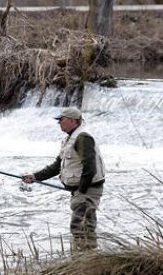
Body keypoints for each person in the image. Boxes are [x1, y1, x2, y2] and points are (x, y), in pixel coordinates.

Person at [22, 107, 105, 251]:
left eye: (61, 120)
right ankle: (84, 259)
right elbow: (56, 167)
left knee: (81, 226)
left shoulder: (83, 138)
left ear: (72, 120)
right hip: (81, 191)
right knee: (82, 227)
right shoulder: (70, 138)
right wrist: (35, 177)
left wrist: (81, 191)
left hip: (87, 191)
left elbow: (90, 168)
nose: (58, 123)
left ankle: (85, 260)